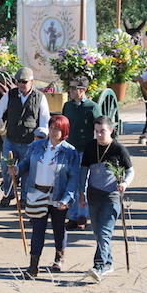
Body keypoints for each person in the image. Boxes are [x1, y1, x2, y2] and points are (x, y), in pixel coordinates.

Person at [8, 115, 79, 279]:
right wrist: (17, 169)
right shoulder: (36, 146)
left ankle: (59, 256)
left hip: (58, 196)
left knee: (58, 228)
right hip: (37, 193)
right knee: (37, 230)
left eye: (58, 129)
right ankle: (33, 267)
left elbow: (73, 179)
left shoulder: (70, 152)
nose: (54, 132)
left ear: (65, 131)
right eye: (52, 127)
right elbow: (26, 163)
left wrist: (66, 199)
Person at [79, 116, 134, 283]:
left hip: (112, 196)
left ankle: (99, 266)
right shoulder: (90, 146)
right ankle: (108, 262)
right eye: (96, 131)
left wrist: (124, 183)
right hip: (93, 195)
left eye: (102, 131)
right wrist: (81, 191)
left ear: (111, 130)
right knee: (98, 231)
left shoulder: (118, 149)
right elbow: (83, 171)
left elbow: (131, 171)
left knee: (104, 231)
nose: (99, 134)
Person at [0, 66, 49, 207]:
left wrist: (42, 136)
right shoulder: (10, 94)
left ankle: (24, 198)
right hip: (11, 139)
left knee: (26, 171)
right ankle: (9, 193)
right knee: (6, 166)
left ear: (31, 82)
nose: (21, 84)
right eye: (18, 81)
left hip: (29, 142)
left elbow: (45, 118)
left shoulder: (40, 97)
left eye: (24, 81)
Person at [61, 76, 102, 230]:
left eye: (73, 89)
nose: (70, 91)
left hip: (85, 150)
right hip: (69, 149)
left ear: (82, 90)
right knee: (69, 182)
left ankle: (81, 216)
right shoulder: (68, 106)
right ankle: (72, 215)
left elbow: (100, 127)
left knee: (81, 184)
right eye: (70, 88)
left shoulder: (92, 107)